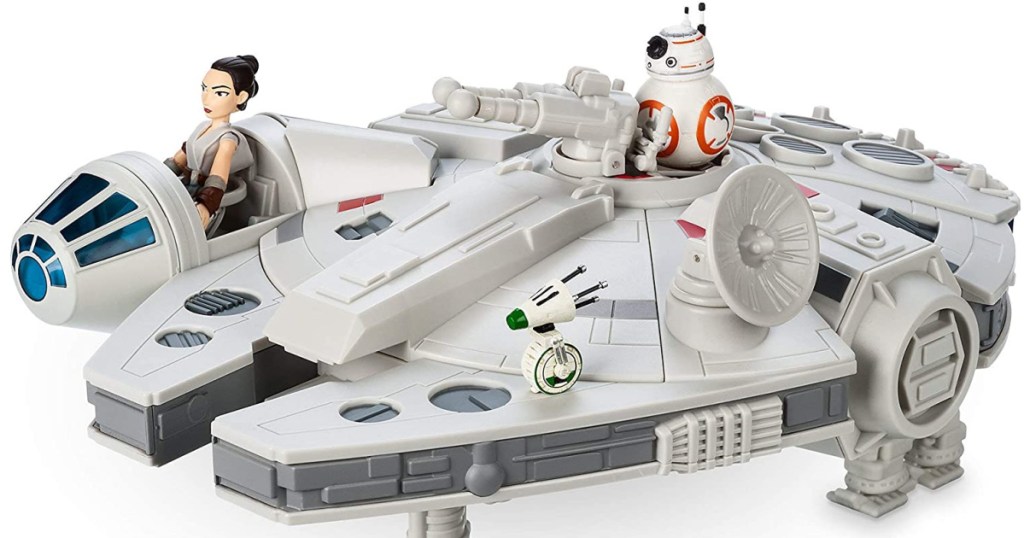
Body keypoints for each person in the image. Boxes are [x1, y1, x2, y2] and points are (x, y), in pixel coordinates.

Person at [163, 55, 258, 229]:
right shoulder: (202, 127)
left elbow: (218, 177)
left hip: (203, 201)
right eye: (204, 89)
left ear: (241, 97)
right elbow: (180, 158)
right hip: (185, 190)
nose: (206, 99)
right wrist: (158, 175)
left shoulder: (228, 139)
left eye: (219, 93)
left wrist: (206, 205)